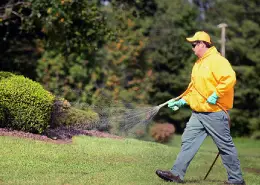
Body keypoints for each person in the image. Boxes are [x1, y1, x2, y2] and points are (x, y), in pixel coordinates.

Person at [155, 31, 245, 185]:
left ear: (202, 44)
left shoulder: (217, 61)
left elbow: (230, 78)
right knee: (188, 141)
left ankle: (236, 180)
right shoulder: (198, 64)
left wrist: (217, 94)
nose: (192, 48)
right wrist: (182, 101)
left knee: (225, 147)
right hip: (198, 113)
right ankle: (176, 174)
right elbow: (195, 90)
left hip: (215, 113)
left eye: (194, 44)